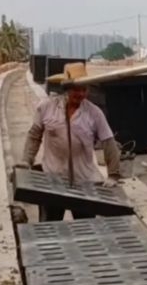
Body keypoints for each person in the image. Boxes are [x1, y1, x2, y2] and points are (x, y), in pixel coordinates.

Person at [22, 63, 122, 221]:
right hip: (52, 180)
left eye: (84, 89)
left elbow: (109, 142)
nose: (80, 94)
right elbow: (34, 136)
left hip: (84, 182)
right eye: (76, 89)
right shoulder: (46, 107)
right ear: (66, 89)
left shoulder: (94, 113)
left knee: (85, 228)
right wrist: (26, 160)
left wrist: (113, 175)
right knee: (50, 226)